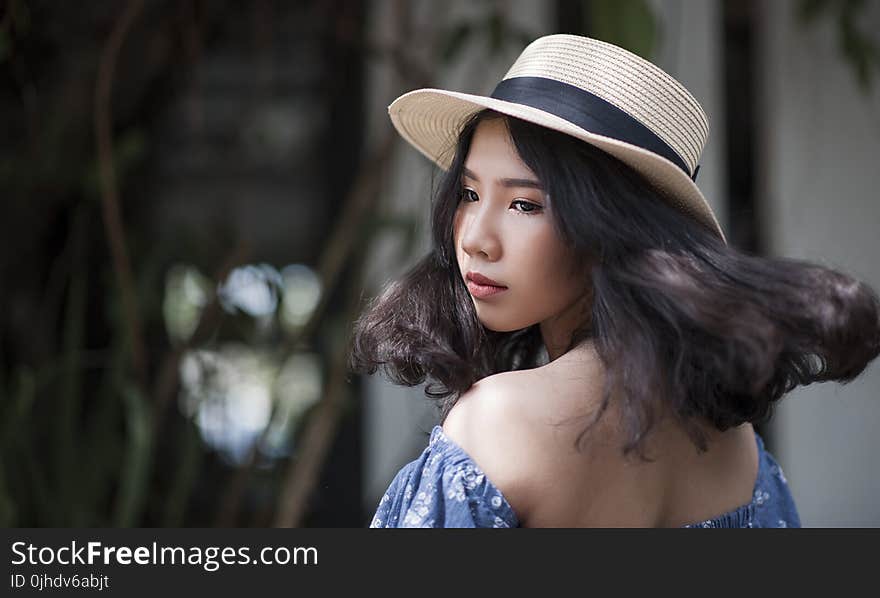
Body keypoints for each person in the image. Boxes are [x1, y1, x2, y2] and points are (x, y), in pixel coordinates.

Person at [348, 34, 880, 527]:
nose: (476, 238)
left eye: (525, 204)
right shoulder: (738, 448)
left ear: (609, 227)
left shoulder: (499, 419)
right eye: (468, 195)